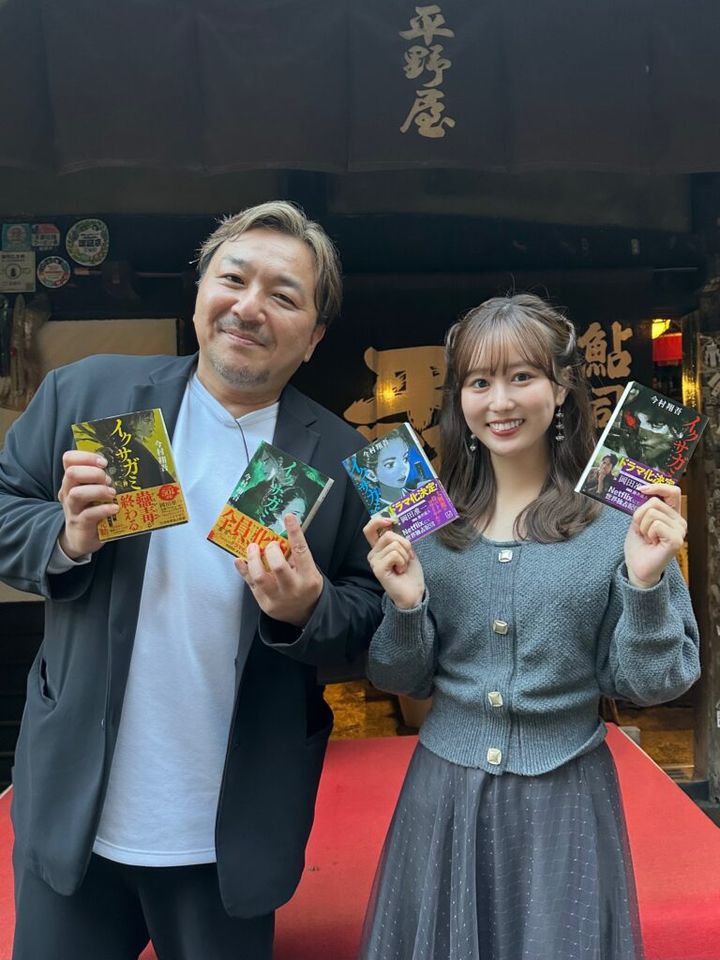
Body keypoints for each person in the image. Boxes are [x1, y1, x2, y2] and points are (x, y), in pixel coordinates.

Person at [0, 201, 383, 960]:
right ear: (201, 290)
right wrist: (68, 538)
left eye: (283, 295)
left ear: (314, 336)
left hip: (231, 831)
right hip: (78, 809)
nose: (250, 307)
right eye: (233, 279)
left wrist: (310, 607)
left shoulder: (347, 458)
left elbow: (385, 615)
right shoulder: (94, 395)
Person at [359, 294, 700, 960]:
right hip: (443, 800)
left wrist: (645, 583)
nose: (500, 402)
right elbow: (399, 678)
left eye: (522, 376)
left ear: (562, 387)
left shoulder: (620, 522)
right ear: (459, 398)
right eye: (479, 382)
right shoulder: (425, 524)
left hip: (567, 800)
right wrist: (404, 605)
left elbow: (654, 683)